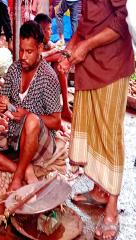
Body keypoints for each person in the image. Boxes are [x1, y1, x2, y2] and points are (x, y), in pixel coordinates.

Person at [58, 1, 134, 239]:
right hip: (89, 62)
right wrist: (71, 48)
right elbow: (87, 18)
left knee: (109, 133)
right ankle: (100, 190)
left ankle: (112, 207)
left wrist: (87, 45)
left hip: (111, 64)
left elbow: (123, 18)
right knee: (93, 128)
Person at [0, 20, 62, 191]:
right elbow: (3, 99)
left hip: (40, 143)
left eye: (29, 52)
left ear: (40, 48)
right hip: (16, 137)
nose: (23, 56)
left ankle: (17, 178)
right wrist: (2, 105)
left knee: (31, 120)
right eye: (21, 50)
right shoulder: (14, 70)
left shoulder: (49, 77)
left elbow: (56, 122)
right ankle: (25, 170)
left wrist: (28, 115)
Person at [34, 13, 72, 121]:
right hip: (32, 89)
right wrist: (54, 53)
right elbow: (36, 59)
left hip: (44, 87)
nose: (51, 32)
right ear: (41, 30)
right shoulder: (32, 42)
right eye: (49, 29)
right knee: (57, 59)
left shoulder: (46, 42)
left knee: (59, 63)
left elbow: (55, 50)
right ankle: (64, 108)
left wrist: (59, 49)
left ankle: (65, 107)